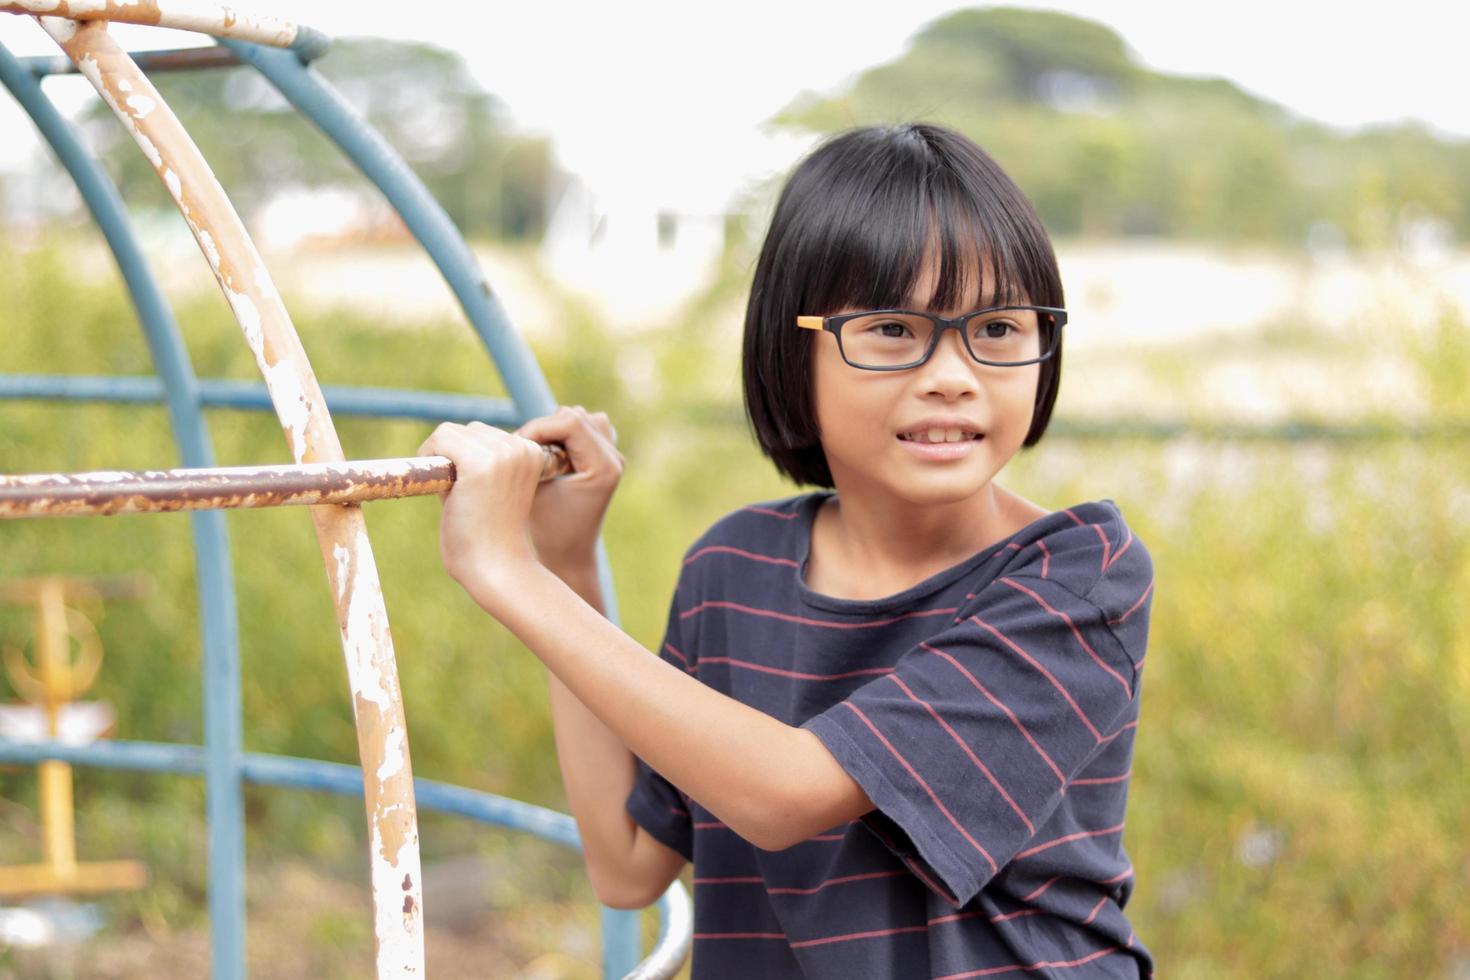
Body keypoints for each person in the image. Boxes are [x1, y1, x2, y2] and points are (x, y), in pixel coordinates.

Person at [418, 122, 1155, 979]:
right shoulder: (732, 571)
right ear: (791, 348)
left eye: (996, 328)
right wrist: (561, 566)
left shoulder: (1078, 574)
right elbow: (624, 866)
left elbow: (789, 795)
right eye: (891, 328)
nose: (954, 373)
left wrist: (506, 573)